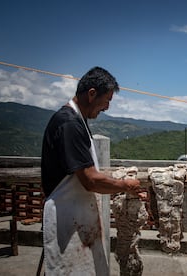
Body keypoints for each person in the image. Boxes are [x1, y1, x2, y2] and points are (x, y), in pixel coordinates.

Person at [41, 66, 142, 275]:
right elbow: (90, 180)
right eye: (107, 101)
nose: (106, 108)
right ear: (92, 94)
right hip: (67, 220)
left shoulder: (78, 120)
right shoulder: (69, 123)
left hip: (78, 216)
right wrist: (125, 186)